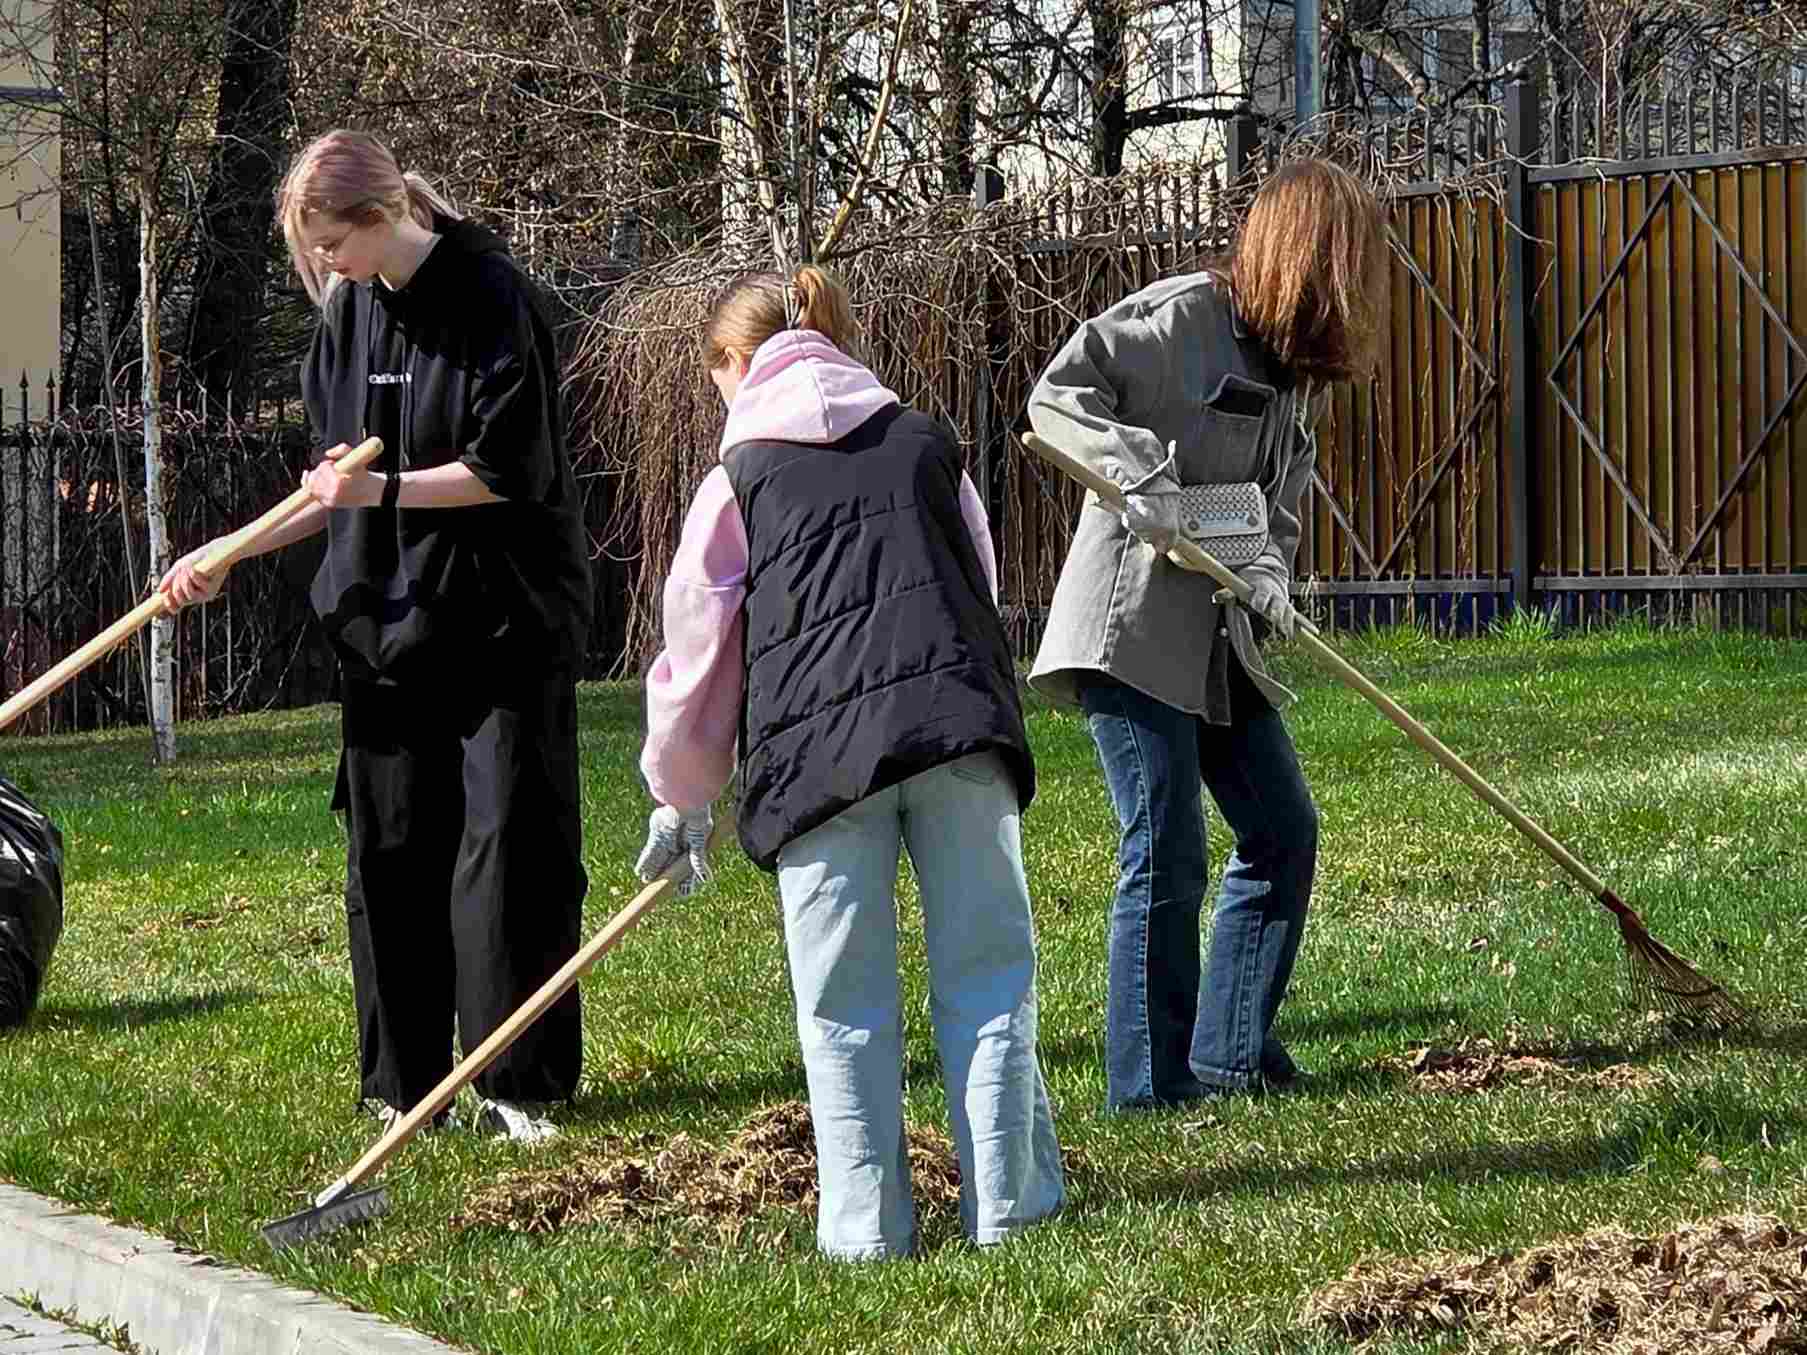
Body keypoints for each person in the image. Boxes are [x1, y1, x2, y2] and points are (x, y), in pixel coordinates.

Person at [159, 129, 593, 1143]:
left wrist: (383, 484)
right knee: (390, 846)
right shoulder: (348, 318)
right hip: (384, 621)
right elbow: (329, 483)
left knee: (505, 849)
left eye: (329, 247)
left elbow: (507, 470)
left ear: (377, 216)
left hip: (501, 618)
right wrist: (229, 547)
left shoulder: (493, 295)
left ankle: (513, 1082)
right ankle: (405, 1082)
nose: (324, 269)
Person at [636, 264, 1064, 1260]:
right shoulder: (925, 441)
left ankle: (868, 1233)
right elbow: (979, 576)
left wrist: (681, 797)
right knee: (991, 977)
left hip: (819, 766)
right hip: (959, 730)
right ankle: (1012, 1211)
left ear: (732, 364)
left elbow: (698, 650)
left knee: (843, 1007)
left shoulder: (737, 477)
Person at [1025, 158, 1389, 1112]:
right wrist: (1139, 477)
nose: (1359, 286)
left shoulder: (1294, 371)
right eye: (1348, 262)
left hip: (1222, 641)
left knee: (1281, 828)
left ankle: (1229, 1050)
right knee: (1168, 845)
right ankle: (1148, 1085)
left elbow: (1276, 502)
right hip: (1134, 625)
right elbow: (1058, 397)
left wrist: (1270, 567)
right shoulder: (1180, 319)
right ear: (1304, 255)